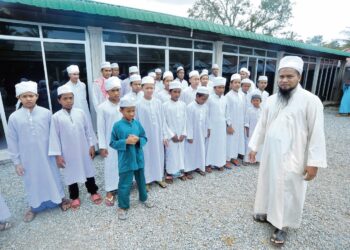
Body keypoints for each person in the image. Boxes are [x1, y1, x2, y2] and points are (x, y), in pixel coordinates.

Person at [248, 56, 327, 246]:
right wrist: (254, 147)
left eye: (289, 76)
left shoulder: (311, 100)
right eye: (281, 76)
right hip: (271, 153)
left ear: (299, 77)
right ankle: (267, 212)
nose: (284, 80)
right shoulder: (272, 100)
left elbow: (317, 133)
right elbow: (262, 125)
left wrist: (313, 162)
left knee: (288, 189)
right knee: (269, 182)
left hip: (295, 155)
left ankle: (282, 226)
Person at [7, 81, 68, 222]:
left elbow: (54, 136)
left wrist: (58, 155)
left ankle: (59, 199)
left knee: (53, 176)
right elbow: (12, 141)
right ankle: (34, 206)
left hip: (48, 155)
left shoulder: (46, 113)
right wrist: (17, 163)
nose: (28, 99)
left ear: (37, 96)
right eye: (25, 96)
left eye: (31, 95)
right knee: (31, 180)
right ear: (19, 98)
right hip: (27, 157)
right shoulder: (14, 118)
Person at [49, 85, 102, 210]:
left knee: (88, 170)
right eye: (65, 98)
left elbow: (88, 130)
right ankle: (74, 196)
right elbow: (54, 137)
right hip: (67, 152)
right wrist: (58, 156)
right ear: (59, 100)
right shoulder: (56, 117)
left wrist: (91, 145)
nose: (68, 101)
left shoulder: (80, 113)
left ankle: (93, 192)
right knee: (71, 173)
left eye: (71, 98)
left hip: (83, 149)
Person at [110, 97, 153, 220]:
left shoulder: (137, 123)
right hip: (126, 160)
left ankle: (144, 198)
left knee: (141, 180)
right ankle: (123, 206)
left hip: (138, 158)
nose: (132, 114)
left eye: (133, 111)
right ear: (121, 111)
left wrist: (139, 140)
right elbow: (112, 143)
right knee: (125, 183)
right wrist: (126, 141)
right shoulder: (117, 126)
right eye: (128, 111)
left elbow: (144, 137)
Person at [136, 76, 167, 190]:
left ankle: (159, 177)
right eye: (147, 88)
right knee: (146, 156)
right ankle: (146, 180)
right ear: (142, 88)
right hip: (145, 136)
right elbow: (136, 122)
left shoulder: (158, 103)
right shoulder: (138, 104)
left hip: (158, 135)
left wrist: (164, 135)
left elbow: (163, 120)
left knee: (159, 155)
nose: (149, 90)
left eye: (151, 88)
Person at [97, 76, 122, 207]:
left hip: (124, 141)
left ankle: (123, 186)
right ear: (107, 92)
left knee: (124, 163)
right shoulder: (102, 107)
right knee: (111, 165)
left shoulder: (124, 103)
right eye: (113, 90)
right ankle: (110, 190)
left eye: (118, 90)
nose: (116, 93)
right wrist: (102, 146)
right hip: (110, 142)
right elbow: (100, 129)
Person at [206, 77, 232, 172]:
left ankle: (220, 163)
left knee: (221, 144)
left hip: (221, 126)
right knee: (211, 144)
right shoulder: (209, 99)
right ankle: (208, 164)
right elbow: (207, 114)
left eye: (223, 87)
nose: (221, 90)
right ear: (214, 88)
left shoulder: (225, 99)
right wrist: (208, 127)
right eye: (219, 87)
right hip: (212, 126)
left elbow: (227, 113)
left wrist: (229, 125)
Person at [163, 81, 187, 183]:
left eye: (178, 92)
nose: (177, 94)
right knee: (171, 154)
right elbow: (164, 122)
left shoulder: (183, 104)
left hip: (180, 135)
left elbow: (186, 120)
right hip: (171, 136)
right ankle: (169, 173)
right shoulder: (165, 105)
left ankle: (179, 171)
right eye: (175, 92)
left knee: (180, 154)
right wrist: (171, 135)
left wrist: (183, 133)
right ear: (170, 92)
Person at [184, 86, 209, 179]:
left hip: (201, 133)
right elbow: (188, 122)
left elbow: (207, 120)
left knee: (200, 150)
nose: (204, 101)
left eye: (206, 99)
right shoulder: (190, 107)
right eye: (203, 99)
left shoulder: (205, 106)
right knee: (190, 151)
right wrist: (189, 136)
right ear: (197, 96)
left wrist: (206, 131)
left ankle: (199, 167)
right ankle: (188, 170)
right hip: (193, 135)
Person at [64, 65, 95, 138]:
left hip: (84, 110)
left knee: (87, 128)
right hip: (73, 110)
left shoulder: (82, 85)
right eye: (74, 74)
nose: (76, 76)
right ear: (69, 75)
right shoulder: (66, 87)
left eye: (77, 74)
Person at [225, 73, 245, 167]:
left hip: (239, 123)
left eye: (239, 82)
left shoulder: (242, 95)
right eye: (235, 82)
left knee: (237, 140)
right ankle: (227, 159)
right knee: (229, 141)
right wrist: (228, 125)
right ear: (231, 84)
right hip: (231, 123)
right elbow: (226, 112)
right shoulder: (228, 96)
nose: (237, 84)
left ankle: (234, 157)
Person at [244, 94, 262, 164]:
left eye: (257, 101)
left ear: (260, 101)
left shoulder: (262, 110)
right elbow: (246, 121)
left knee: (259, 144)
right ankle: (247, 160)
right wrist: (247, 130)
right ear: (251, 101)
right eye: (254, 101)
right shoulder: (249, 110)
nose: (256, 102)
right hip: (251, 130)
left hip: (260, 131)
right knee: (250, 144)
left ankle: (257, 159)